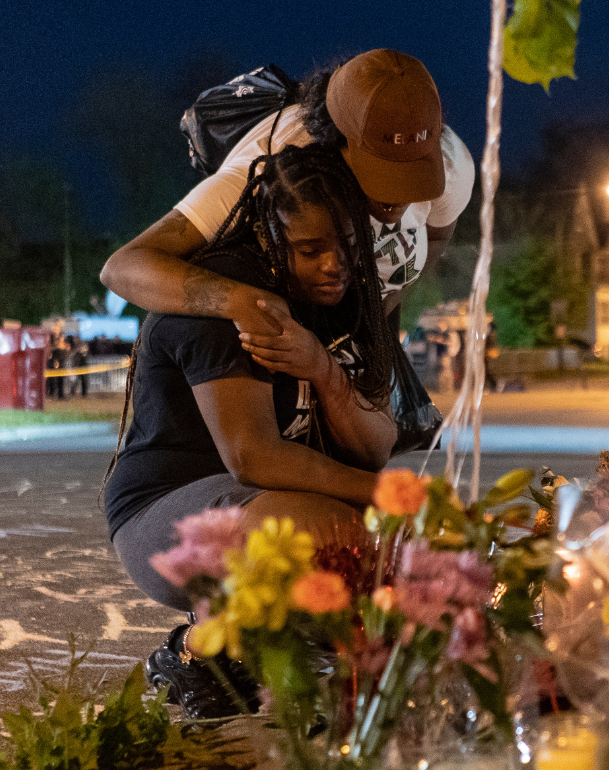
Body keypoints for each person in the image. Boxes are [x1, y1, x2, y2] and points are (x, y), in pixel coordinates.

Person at [103, 144, 398, 720]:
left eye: (347, 247)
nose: (334, 264)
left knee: (392, 546)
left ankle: (275, 637)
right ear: (269, 233)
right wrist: (384, 498)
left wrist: (322, 369)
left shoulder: (341, 303)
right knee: (340, 535)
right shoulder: (233, 296)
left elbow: (375, 446)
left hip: (260, 498)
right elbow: (253, 458)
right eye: (311, 250)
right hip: (161, 511)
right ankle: (194, 650)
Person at [99, 49, 474, 337]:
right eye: (383, 175)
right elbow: (125, 267)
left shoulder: (451, 161)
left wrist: (382, 311)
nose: (397, 199)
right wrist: (243, 302)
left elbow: (438, 232)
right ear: (335, 142)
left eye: (413, 176)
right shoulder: (275, 170)